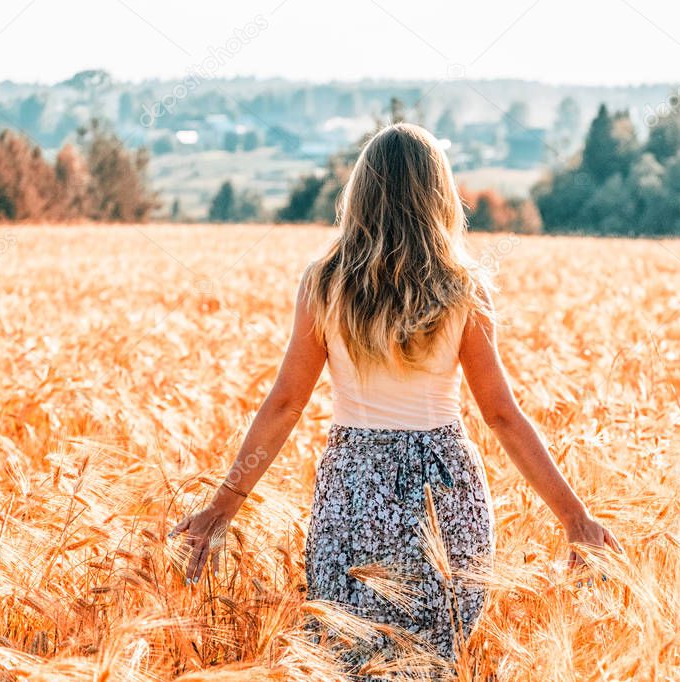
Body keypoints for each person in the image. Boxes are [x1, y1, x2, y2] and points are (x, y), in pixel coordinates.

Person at [170, 123, 621, 674]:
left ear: (360, 193)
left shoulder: (325, 283)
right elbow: (501, 415)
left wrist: (222, 508)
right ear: (439, 195)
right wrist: (575, 519)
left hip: (354, 488)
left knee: (348, 657)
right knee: (434, 660)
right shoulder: (463, 287)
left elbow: (286, 403)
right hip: (445, 492)